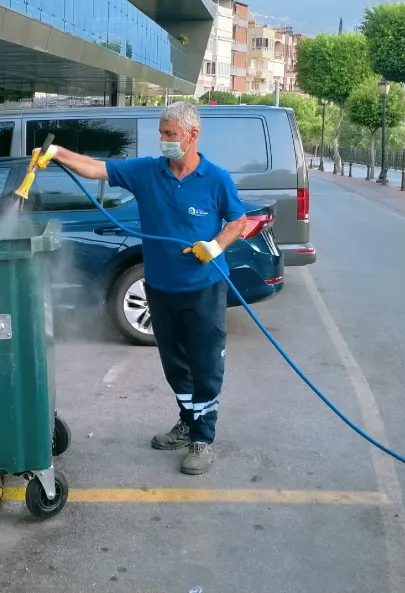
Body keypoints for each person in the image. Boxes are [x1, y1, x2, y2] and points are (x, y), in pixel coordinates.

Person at [34, 101, 248, 475]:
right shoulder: (148, 172)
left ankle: (203, 438)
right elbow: (95, 168)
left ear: (192, 135)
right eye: (161, 133)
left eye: (170, 135)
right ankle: (187, 422)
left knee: (206, 363)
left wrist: (214, 246)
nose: (163, 141)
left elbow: (238, 221)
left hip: (204, 288)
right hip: (161, 288)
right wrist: (56, 153)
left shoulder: (216, 179)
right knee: (174, 364)